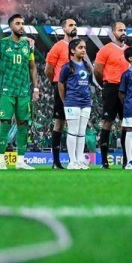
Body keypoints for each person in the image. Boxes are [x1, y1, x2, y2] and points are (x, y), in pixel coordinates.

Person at [0, 13, 38, 171]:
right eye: (17, 23)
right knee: (5, 123)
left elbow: (32, 68)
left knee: (23, 124)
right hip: (6, 90)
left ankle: (20, 161)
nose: (21, 26)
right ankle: (1, 161)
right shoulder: (2, 44)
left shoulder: (28, 45)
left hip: (23, 91)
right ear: (10, 27)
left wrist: (35, 88)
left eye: (22, 23)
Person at [44, 16, 82, 170]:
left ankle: (76, 160)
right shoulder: (58, 46)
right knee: (60, 123)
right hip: (62, 87)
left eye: (75, 25)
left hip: (77, 88)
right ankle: (56, 161)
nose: (74, 27)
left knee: (77, 124)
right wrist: (56, 82)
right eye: (71, 25)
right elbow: (48, 69)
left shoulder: (79, 47)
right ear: (64, 28)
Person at [92, 21, 129, 169]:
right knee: (108, 122)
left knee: (126, 123)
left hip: (126, 89)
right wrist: (105, 85)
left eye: (124, 30)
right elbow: (97, 71)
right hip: (111, 87)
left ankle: (127, 160)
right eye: (120, 30)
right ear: (113, 32)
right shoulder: (105, 50)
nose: (123, 32)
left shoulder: (129, 51)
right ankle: (104, 161)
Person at [57, 38, 93, 170]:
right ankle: (72, 161)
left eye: (84, 47)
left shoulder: (87, 66)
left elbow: (88, 84)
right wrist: (65, 100)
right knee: (72, 131)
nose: (83, 50)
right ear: (72, 50)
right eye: (80, 47)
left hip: (86, 103)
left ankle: (79, 160)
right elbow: (61, 84)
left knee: (82, 132)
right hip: (72, 102)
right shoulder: (67, 67)